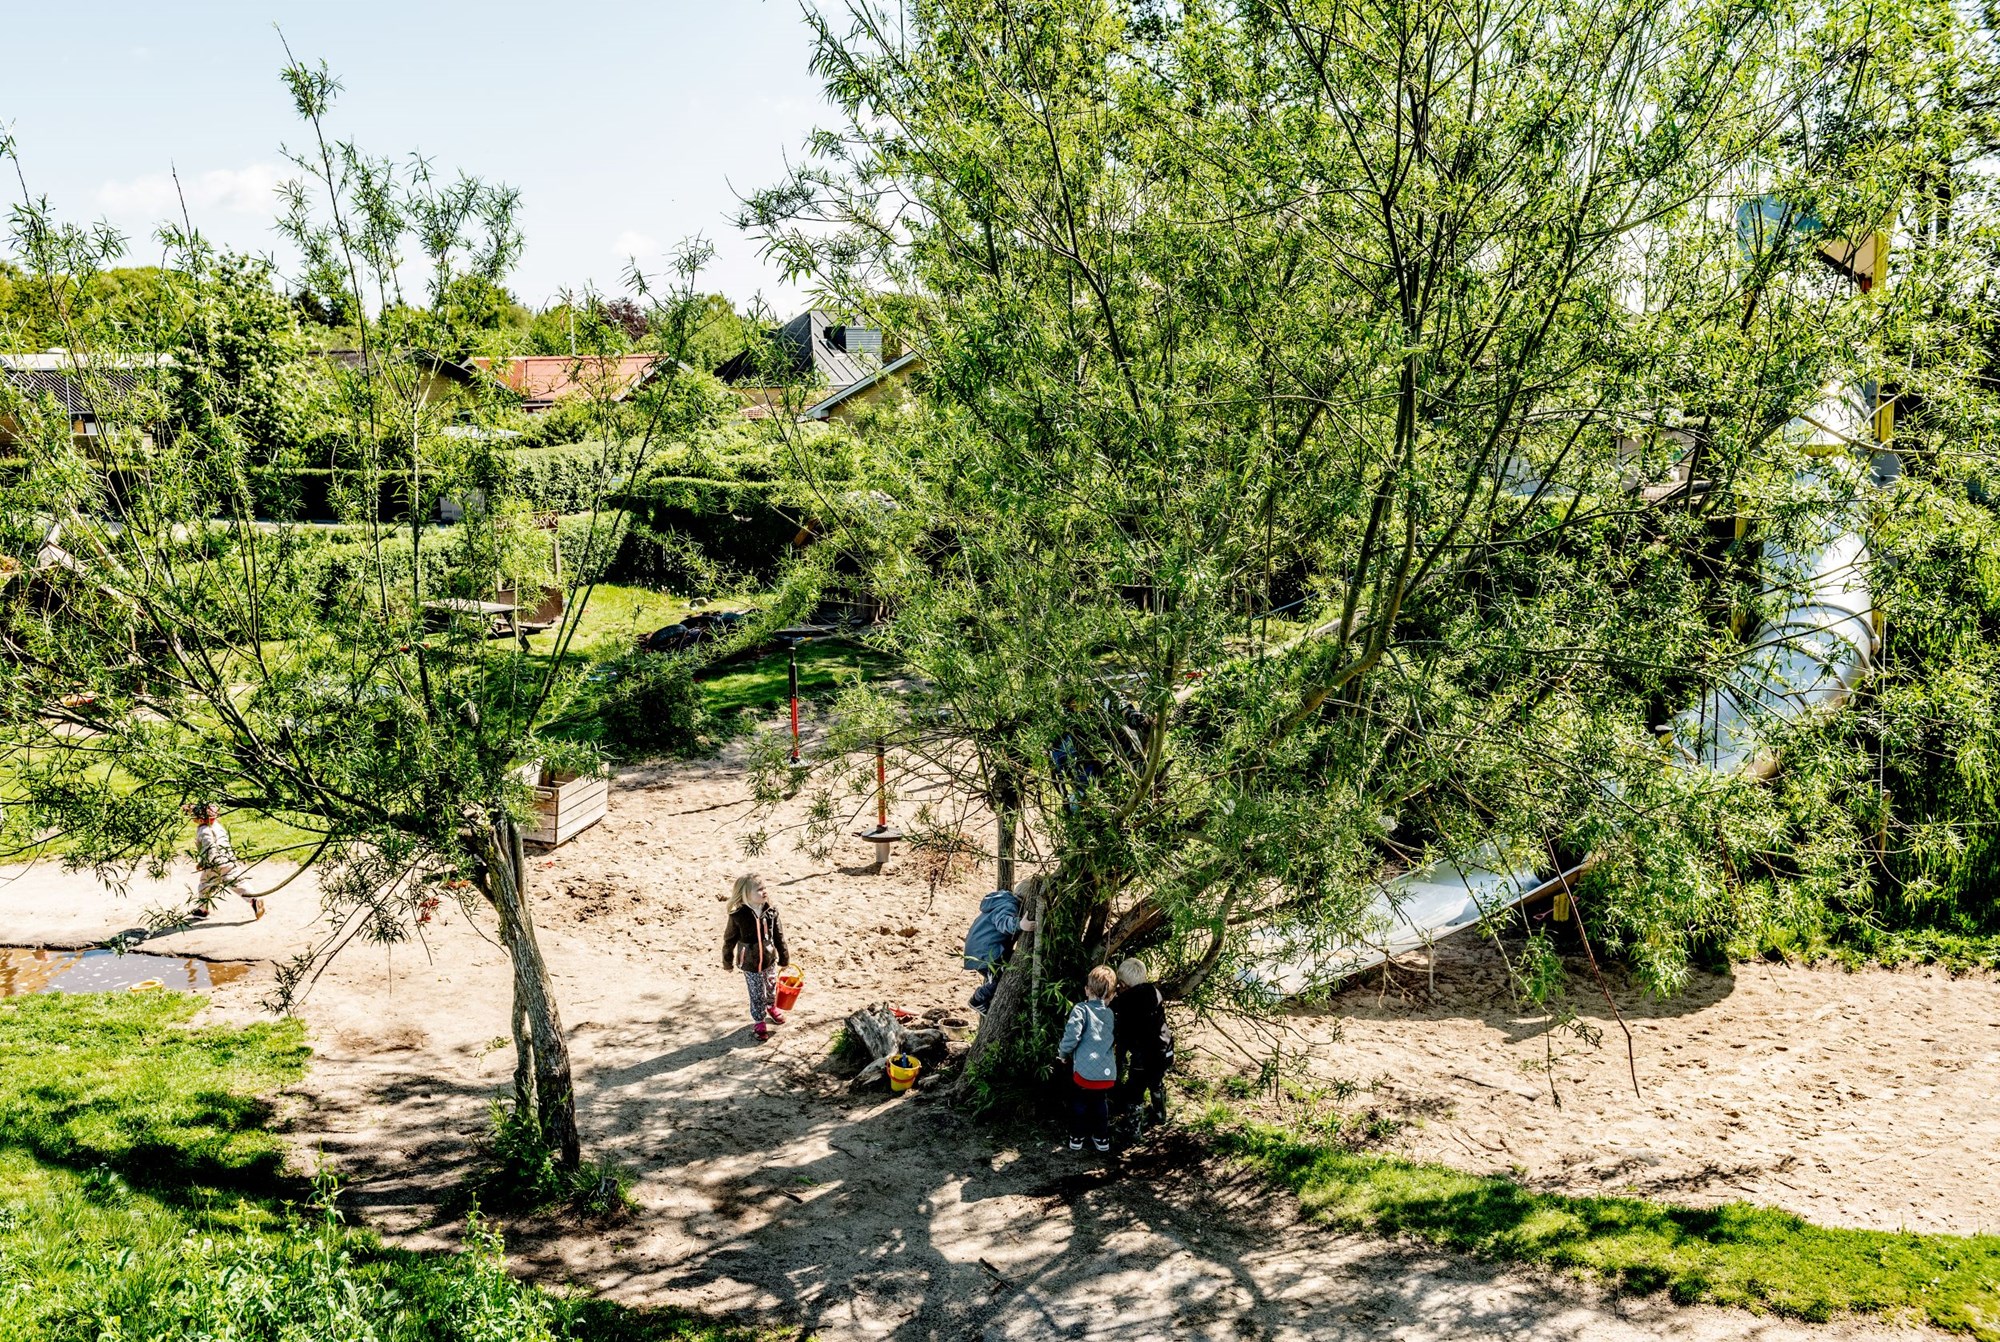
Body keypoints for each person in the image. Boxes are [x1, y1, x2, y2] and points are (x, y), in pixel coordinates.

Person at [1057, 964, 1118, 1153]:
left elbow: (1072, 1036)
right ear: (1111, 995)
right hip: (1106, 1074)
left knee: (1079, 1102)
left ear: (1086, 990)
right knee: (1100, 1103)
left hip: (1083, 1072)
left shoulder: (1081, 1010)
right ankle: (1102, 1138)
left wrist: (1063, 1054)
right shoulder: (1110, 1014)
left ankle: (1076, 1137)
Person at [722, 874, 790, 1042]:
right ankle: (759, 1021)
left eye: (764, 887)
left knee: (772, 985)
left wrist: (784, 957)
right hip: (749, 963)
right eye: (759, 889)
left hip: (769, 959)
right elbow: (729, 940)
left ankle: (771, 1006)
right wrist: (727, 961)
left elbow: (779, 936)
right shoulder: (738, 916)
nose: (764, 891)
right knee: (756, 991)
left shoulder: (771, 912)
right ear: (745, 894)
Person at [1111, 957, 1174, 1136]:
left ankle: (1132, 1129)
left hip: (1143, 1057)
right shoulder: (1154, 992)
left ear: (1122, 984)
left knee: (1135, 1091)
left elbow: (1122, 1032)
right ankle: (1160, 1113)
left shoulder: (1126, 1003)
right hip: (1165, 1050)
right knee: (1156, 1082)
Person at [962, 887, 1035, 1010]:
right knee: (999, 976)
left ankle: (988, 997)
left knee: (1002, 969)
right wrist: (1019, 925)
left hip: (982, 948)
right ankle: (978, 999)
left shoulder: (1001, 902)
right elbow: (1003, 922)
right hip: (985, 952)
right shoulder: (1009, 905)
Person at [189, 803, 262, 921]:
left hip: (215, 864)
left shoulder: (204, 830)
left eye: (194, 816)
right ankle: (254, 899)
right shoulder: (218, 826)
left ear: (201, 819)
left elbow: (210, 848)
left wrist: (203, 862)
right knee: (237, 882)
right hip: (229, 859)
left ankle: (203, 910)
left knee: (204, 885)